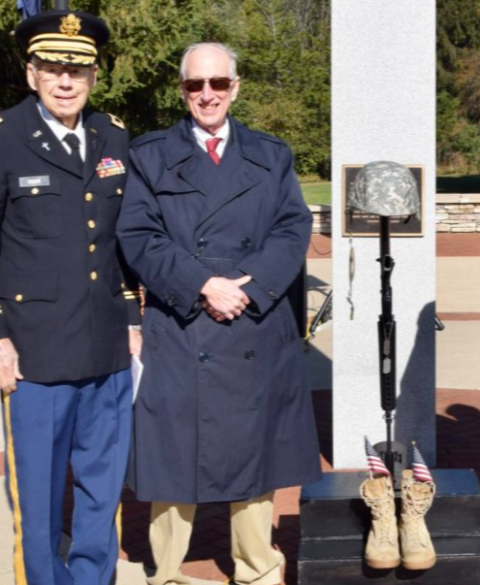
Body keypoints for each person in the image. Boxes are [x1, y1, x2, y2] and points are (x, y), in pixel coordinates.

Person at [117, 42, 321, 585]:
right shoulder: (150, 153)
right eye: (195, 85)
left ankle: (257, 567)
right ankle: (166, 571)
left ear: (236, 87)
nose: (207, 94)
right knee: (172, 452)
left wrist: (247, 288)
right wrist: (202, 282)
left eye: (218, 84)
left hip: (254, 316)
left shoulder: (271, 153)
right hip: (182, 321)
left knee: (255, 452)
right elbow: (137, 234)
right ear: (182, 89)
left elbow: (292, 228)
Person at [0, 10, 141, 585]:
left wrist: (132, 317)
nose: (65, 81)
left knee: (101, 495)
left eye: (77, 71)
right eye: (53, 68)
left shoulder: (113, 136)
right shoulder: (6, 138)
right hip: (34, 355)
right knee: (36, 506)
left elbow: (122, 241)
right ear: (31, 72)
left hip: (106, 347)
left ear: (93, 77)